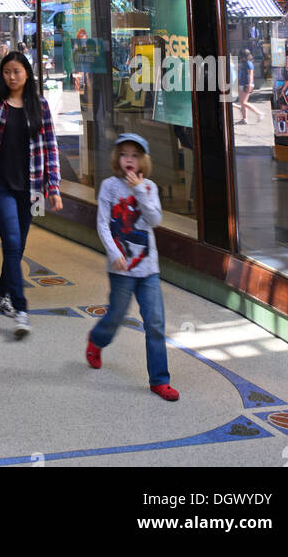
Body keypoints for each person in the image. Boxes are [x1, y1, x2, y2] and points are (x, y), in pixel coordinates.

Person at [0, 50, 62, 338]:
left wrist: (54, 188)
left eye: (17, 72)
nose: (12, 77)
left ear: (27, 74)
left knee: (18, 246)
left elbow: (50, 147)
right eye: (7, 72)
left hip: (33, 188)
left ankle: (2, 293)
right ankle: (21, 308)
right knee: (11, 241)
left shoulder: (40, 106)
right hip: (1, 186)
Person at [85, 134, 179, 401]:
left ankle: (159, 380)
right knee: (116, 315)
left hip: (148, 268)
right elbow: (103, 224)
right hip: (121, 268)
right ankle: (97, 339)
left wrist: (139, 190)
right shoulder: (109, 187)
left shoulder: (149, 187)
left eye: (135, 155)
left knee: (156, 322)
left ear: (143, 161)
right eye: (124, 154)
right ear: (117, 158)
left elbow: (155, 219)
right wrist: (114, 253)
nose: (129, 159)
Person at [236, 48, 260, 123]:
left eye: (241, 56)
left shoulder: (249, 63)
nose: (240, 57)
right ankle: (244, 119)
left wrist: (249, 85)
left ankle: (259, 113)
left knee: (243, 102)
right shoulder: (245, 63)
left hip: (246, 84)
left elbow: (251, 75)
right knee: (242, 102)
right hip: (242, 83)